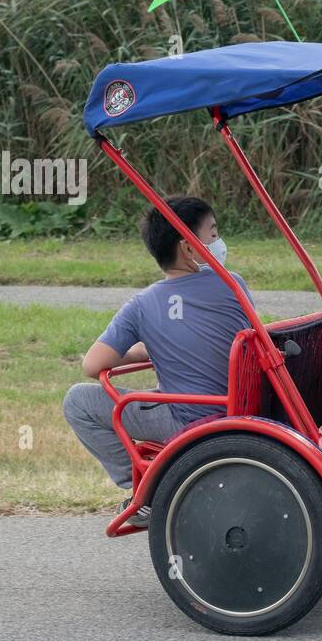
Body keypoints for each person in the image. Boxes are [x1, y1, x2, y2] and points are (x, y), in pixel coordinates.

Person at [63, 197, 250, 516]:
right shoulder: (233, 284)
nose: (219, 242)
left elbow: (92, 365)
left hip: (191, 417)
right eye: (213, 234)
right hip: (242, 404)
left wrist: (137, 349)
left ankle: (143, 487)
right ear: (189, 248)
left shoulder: (143, 304)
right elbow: (215, 339)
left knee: (78, 401)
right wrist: (151, 347)